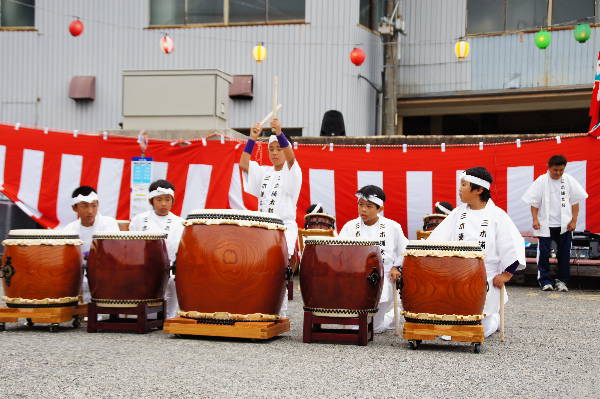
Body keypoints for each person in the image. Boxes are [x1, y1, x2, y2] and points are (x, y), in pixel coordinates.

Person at [426, 167, 525, 338]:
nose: (460, 189)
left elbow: (514, 246)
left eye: (464, 185)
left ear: (479, 190)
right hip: (456, 276)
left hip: (486, 277)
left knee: (478, 328)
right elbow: (436, 239)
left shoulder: (497, 215)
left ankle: (493, 317)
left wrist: (507, 274)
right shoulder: (457, 213)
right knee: (447, 331)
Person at [239, 117, 302, 317]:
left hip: (283, 228)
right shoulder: (264, 172)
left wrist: (280, 132)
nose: (274, 153)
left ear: (286, 148)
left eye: (278, 148)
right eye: (271, 149)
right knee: (258, 269)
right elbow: (243, 163)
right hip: (263, 227)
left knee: (278, 271)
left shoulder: (293, 172)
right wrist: (252, 139)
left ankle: (279, 313)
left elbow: (292, 159)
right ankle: (261, 308)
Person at [339, 185, 408, 333]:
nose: (363, 210)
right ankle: (381, 317)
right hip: (355, 279)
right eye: (360, 205)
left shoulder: (393, 227)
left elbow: (405, 250)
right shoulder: (349, 227)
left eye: (369, 206)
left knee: (374, 328)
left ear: (380, 209)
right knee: (355, 327)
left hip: (383, 277)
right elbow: (340, 252)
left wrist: (397, 267)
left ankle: (390, 316)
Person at [522, 155, 588, 292]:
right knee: (544, 253)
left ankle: (562, 281)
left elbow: (575, 202)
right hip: (545, 224)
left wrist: (574, 220)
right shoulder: (541, 180)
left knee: (564, 254)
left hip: (564, 224)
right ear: (549, 167)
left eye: (561, 170)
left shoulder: (568, 180)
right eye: (555, 170)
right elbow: (534, 203)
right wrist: (535, 219)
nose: (558, 173)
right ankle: (545, 280)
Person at [129, 179, 183, 318]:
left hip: (170, 268)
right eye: (159, 199)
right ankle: (144, 315)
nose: (163, 203)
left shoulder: (180, 222)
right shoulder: (139, 220)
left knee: (174, 280)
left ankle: (170, 317)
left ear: (172, 201)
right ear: (151, 200)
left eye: (167, 199)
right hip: (144, 267)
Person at [62, 186, 119, 303]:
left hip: (106, 271)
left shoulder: (109, 224)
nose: (90, 211)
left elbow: (114, 254)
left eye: (94, 205)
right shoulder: (69, 230)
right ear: (74, 208)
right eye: (85, 206)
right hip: (80, 272)